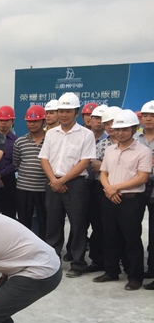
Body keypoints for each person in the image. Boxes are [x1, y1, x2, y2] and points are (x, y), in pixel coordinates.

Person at [38, 92, 95, 278]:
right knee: (53, 224)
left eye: (68, 111)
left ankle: (78, 263)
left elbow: (84, 162)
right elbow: (44, 159)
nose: (64, 114)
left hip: (76, 184)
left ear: (76, 112)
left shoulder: (86, 134)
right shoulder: (51, 133)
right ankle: (53, 262)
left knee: (78, 225)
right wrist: (54, 180)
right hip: (52, 181)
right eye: (61, 111)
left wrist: (62, 181)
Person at [93, 110, 150, 291]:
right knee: (109, 236)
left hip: (131, 200)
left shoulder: (143, 151)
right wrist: (108, 189)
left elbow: (142, 178)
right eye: (117, 129)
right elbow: (104, 172)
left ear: (134, 129)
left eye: (125, 129)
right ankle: (111, 271)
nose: (120, 133)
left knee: (131, 238)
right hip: (109, 197)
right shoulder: (110, 149)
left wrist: (115, 187)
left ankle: (135, 276)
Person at [83, 104, 111, 274]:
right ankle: (90, 258)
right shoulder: (82, 137)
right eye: (95, 118)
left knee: (101, 225)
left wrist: (102, 165)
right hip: (82, 184)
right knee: (81, 223)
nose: (98, 121)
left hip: (103, 186)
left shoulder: (110, 141)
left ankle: (104, 260)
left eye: (102, 119)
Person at [13, 106, 47, 239]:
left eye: (35, 121)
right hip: (24, 189)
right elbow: (16, 163)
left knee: (45, 221)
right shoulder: (20, 142)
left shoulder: (51, 140)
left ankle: (44, 246)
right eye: (29, 121)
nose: (32, 124)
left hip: (44, 189)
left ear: (43, 121)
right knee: (24, 221)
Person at [135, 100, 154, 278]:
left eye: (152, 116)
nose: (148, 119)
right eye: (145, 115)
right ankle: (134, 268)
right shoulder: (134, 138)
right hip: (136, 186)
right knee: (132, 228)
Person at [0, 106, 18, 219]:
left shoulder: (16, 141)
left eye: (6, 120)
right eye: (1, 120)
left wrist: (0, 174)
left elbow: (16, 163)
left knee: (9, 215)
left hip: (8, 181)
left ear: (12, 121)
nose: (3, 123)